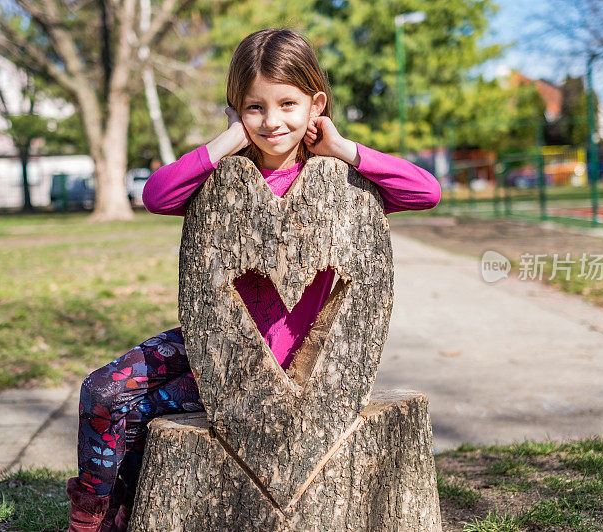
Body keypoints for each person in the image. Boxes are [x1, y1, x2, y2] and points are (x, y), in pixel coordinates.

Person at [65, 28, 441, 532]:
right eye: (254, 108)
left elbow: (426, 191)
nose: (272, 121)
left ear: (316, 105)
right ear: (236, 112)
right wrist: (224, 144)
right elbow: (156, 195)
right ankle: (95, 515)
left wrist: (344, 148)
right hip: (210, 348)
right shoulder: (220, 175)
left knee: (139, 409)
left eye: (288, 103)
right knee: (105, 393)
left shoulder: (338, 178)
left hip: (280, 367)